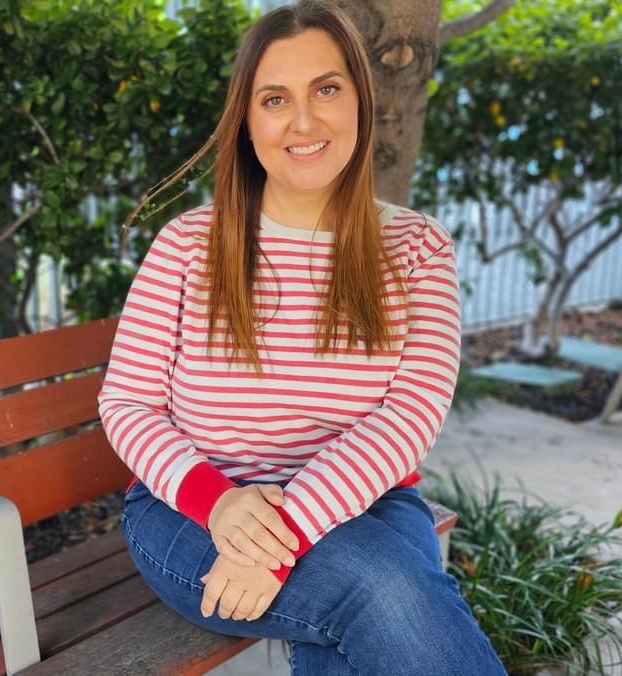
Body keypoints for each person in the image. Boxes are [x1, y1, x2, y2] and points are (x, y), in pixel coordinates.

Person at [96, 1, 507, 674]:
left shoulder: (415, 248)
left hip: (365, 508)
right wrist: (221, 504)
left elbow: (410, 418)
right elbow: (128, 405)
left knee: (367, 606)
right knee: (383, 588)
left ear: (360, 101)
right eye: (275, 98)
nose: (305, 120)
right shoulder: (188, 246)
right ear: (248, 120)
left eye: (327, 88)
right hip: (191, 514)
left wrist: (284, 533)